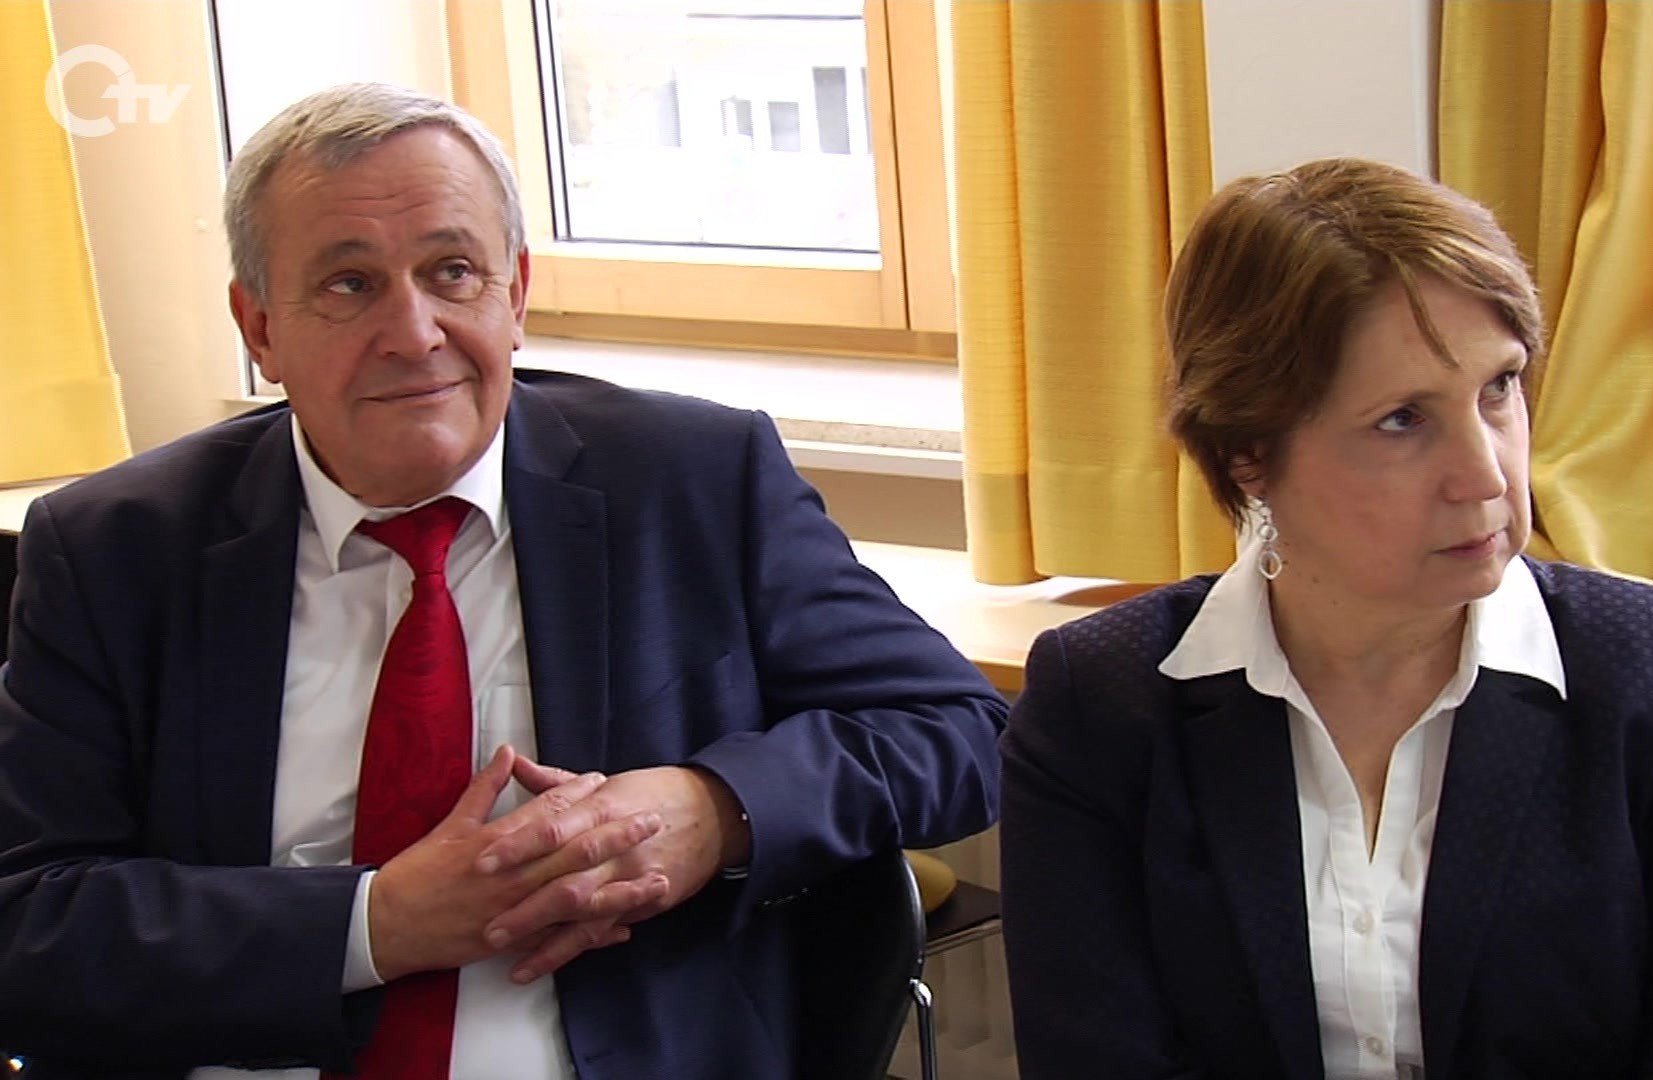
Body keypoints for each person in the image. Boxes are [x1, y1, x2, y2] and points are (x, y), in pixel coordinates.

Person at [0, 82, 1005, 1079]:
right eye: (349, 284)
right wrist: (374, 924)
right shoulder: (114, 550)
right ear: (258, 327)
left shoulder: (693, 482)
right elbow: (26, 916)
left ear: (514, 292)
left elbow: (959, 729)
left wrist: (716, 808)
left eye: (452, 272)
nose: (414, 332)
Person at [998, 158, 1653, 1079]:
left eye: (1499, 388)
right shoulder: (1099, 705)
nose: (1486, 474)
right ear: (1247, 452)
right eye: (1402, 420)